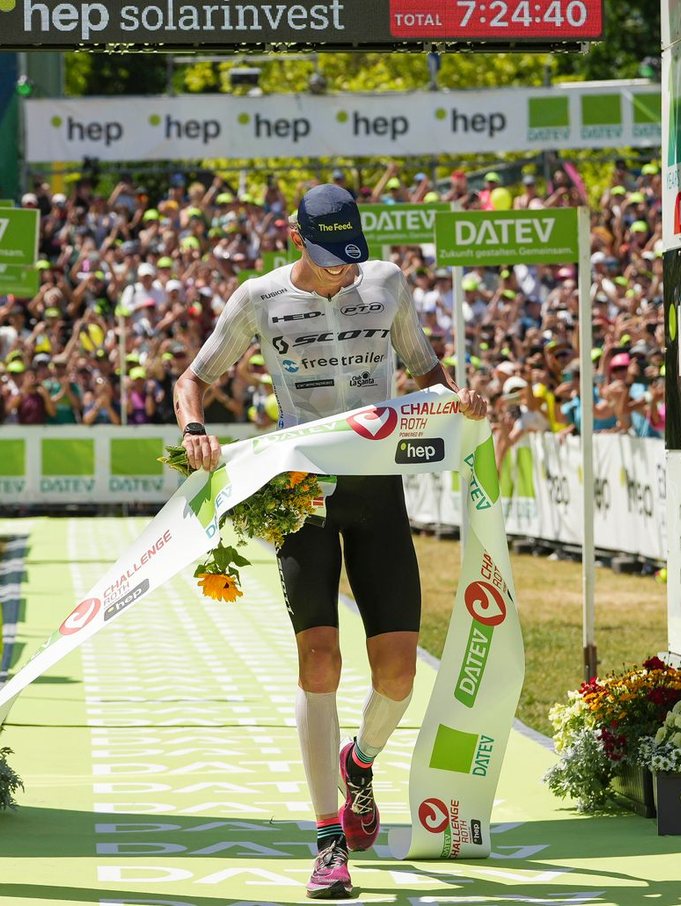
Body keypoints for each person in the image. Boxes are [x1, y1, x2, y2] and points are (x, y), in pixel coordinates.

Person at [173, 184, 486, 901]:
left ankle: (362, 764)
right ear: (298, 239)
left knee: (399, 675)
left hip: (379, 492)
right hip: (302, 496)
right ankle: (326, 839)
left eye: (353, 257)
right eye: (330, 258)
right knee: (320, 660)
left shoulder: (388, 284)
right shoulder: (258, 298)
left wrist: (456, 396)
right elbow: (192, 378)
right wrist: (194, 428)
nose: (346, 271)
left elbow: (426, 372)